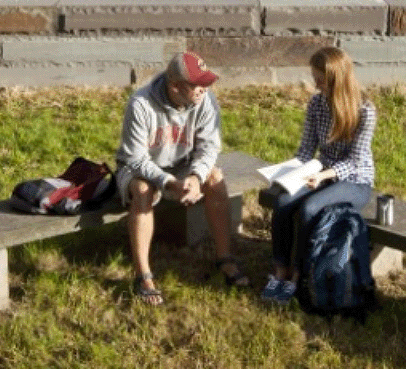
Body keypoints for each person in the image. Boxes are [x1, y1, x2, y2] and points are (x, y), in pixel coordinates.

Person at [116, 51, 250, 306]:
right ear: (175, 86)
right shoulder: (140, 104)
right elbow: (135, 158)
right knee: (143, 190)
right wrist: (168, 182)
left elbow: (209, 147)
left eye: (206, 83)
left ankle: (225, 259)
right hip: (139, 168)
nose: (204, 89)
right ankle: (143, 275)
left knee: (215, 177)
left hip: (182, 165)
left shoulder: (206, 101)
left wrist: (196, 177)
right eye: (197, 85)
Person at [261, 46, 376, 306]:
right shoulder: (316, 103)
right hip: (320, 171)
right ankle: (281, 270)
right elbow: (305, 149)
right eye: (314, 78)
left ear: (336, 79)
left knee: (310, 208)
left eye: (320, 80)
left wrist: (325, 175)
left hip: (354, 180)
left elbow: (356, 161)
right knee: (281, 201)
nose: (315, 84)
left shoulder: (365, 110)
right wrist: (287, 172)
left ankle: (299, 276)